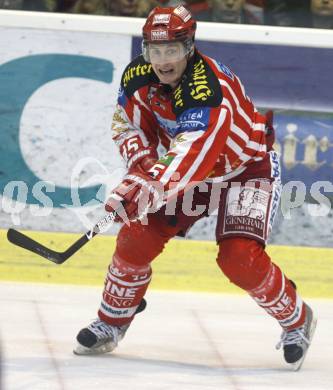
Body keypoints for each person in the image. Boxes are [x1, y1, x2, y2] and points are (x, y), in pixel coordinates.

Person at [74, 5, 317, 370]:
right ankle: (112, 320)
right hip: (190, 173)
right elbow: (126, 124)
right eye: (155, 51)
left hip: (245, 170)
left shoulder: (208, 90)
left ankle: (298, 321)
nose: (163, 60)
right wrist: (140, 166)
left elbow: (191, 155)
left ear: (189, 47)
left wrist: (146, 186)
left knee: (239, 260)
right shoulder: (138, 75)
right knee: (135, 236)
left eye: (172, 50)